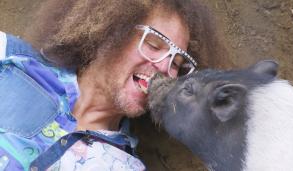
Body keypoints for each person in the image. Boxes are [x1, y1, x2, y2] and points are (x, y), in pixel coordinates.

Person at [0, 0, 228, 170]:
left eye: (177, 64)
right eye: (153, 44)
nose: (165, 69)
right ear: (112, 30)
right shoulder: (10, 59)